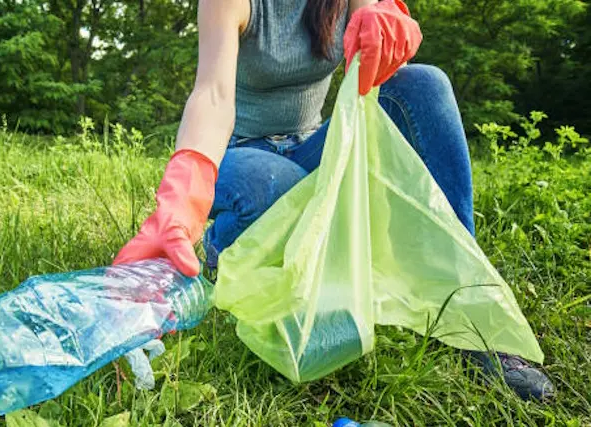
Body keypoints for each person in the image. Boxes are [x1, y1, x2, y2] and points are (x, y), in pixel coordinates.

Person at [112, 0, 555, 401]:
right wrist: (185, 189)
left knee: (425, 84)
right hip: (243, 153)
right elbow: (213, 94)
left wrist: (388, 23)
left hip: (313, 145)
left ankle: (467, 309)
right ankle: (221, 247)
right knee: (274, 184)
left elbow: (378, 68)